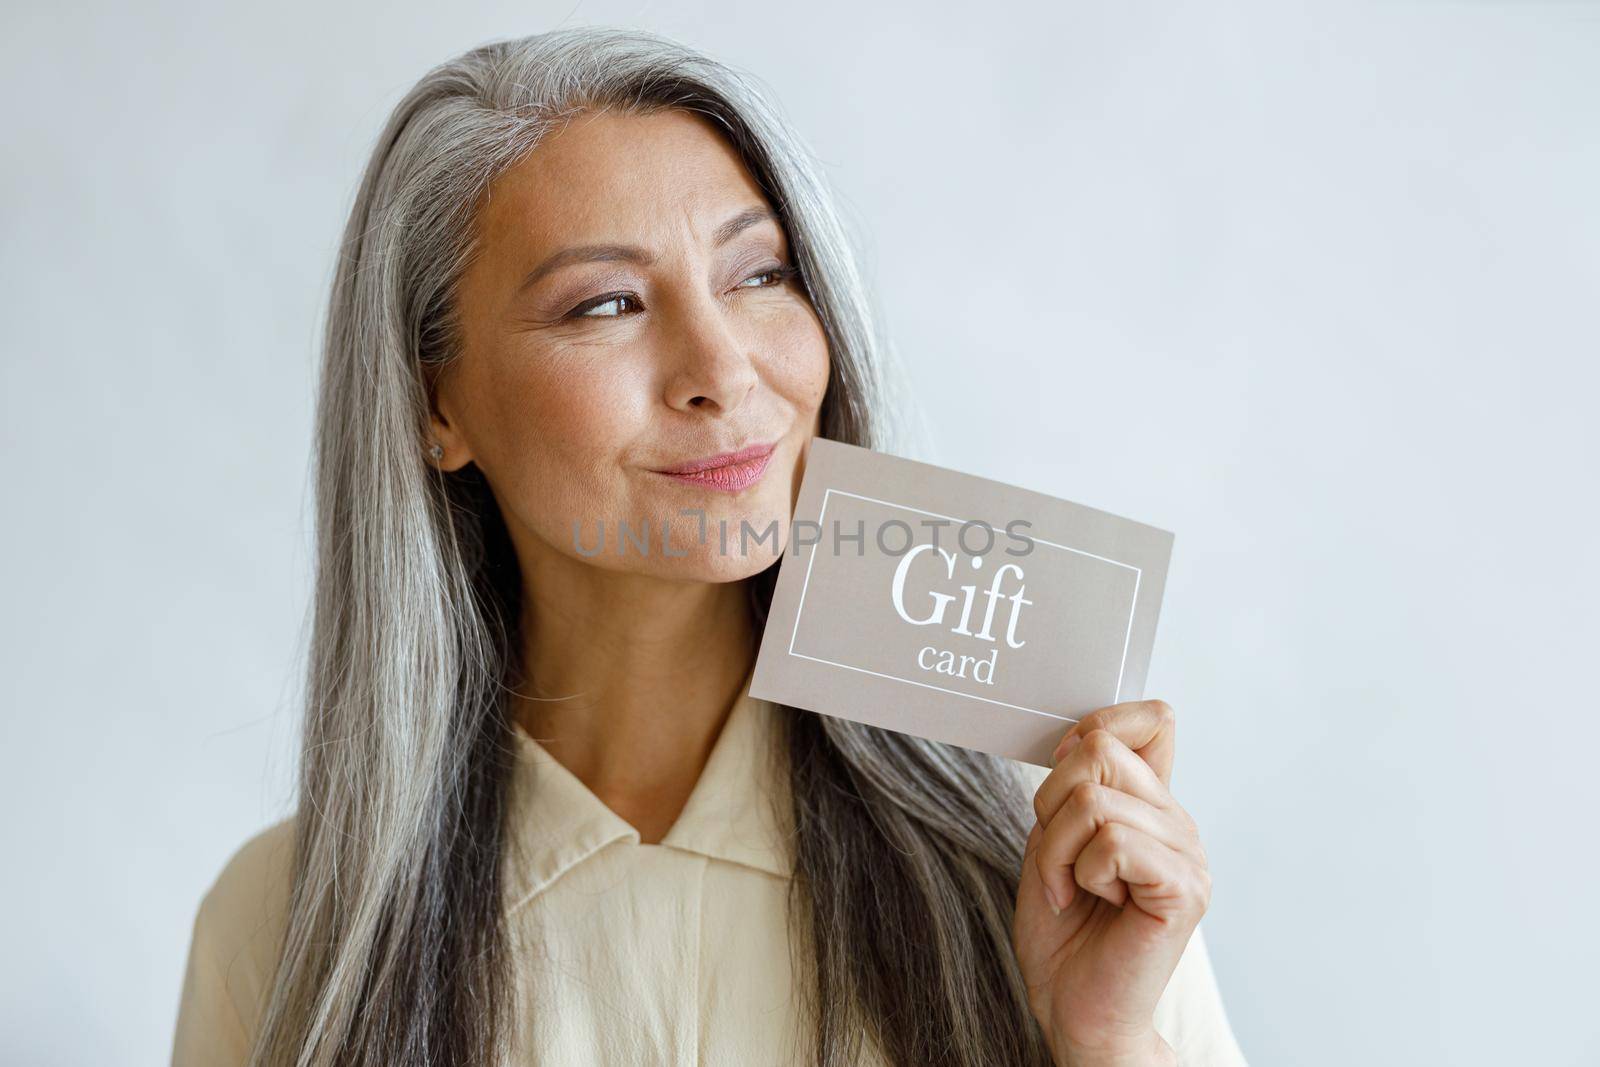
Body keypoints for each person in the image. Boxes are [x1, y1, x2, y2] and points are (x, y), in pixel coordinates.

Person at [171, 26, 1249, 1067]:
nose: (723, 369)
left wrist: (1106, 1042)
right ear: (432, 400)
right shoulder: (281, 926)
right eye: (605, 303)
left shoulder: (1050, 859)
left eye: (759, 275)